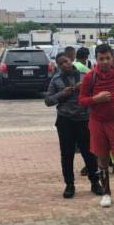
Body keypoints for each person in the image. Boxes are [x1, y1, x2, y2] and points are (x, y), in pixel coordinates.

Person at [78, 43, 114, 208]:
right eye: (101, 59)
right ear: (96, 59)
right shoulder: (91, 77)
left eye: (108, 58)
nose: (104, 62)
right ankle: (106, 193)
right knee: (102, 157)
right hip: (97, 123)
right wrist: (95, 99)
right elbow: (81, 100)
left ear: (113, 59)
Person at [45, 52, 104, 199]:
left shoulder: (85, 76)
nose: (65, 64)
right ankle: (69, 185)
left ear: (71, 60)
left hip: (84, 119)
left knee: (89, 153)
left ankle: (95, 182)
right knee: (67, 154)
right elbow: (48, 101)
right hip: (65, 121)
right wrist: (62, 94)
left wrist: (84, 90)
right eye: (61, 63)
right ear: (58, 66)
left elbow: (96, 94)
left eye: (66, 61)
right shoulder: (56, 80)